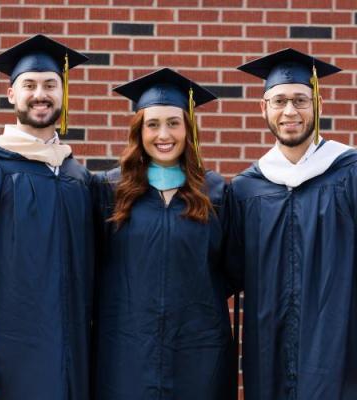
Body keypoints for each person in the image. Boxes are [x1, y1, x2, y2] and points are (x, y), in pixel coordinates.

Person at [0, 34, 94, 400]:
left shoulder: (76, 176)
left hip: (69, 354)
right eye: (29, 85)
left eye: (50, 84)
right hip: (3, 354)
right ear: (11, 94)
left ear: (63, 93)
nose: (40, 94)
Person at [92, 68, 238, 400]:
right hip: (126, 350)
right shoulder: (109, 190)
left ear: (189, 130)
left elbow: (233, 270)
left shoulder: (215, 192)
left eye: (174, 122)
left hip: (197, 350)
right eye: (152, 124)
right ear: (138, 131)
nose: (164, 134)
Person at [228, 48, 357, 400]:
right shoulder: (245, 189)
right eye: (279, 101)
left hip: (338, 349)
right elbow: (228, 270)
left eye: (300, 100)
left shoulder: (349, 173)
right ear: (263, 108)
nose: (289, 112)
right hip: (266, 349)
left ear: (317, 104)